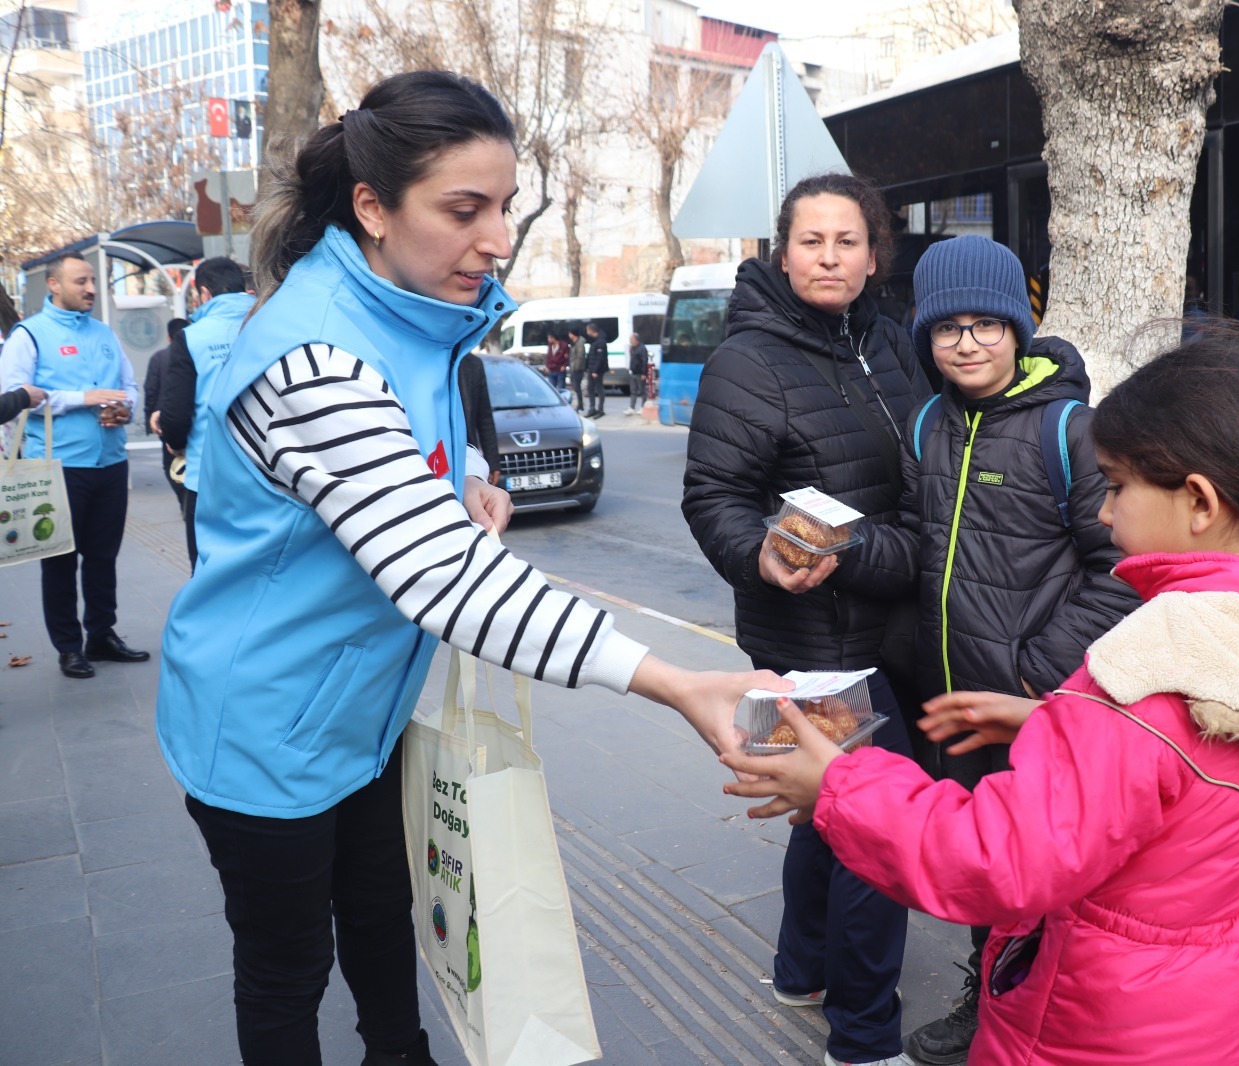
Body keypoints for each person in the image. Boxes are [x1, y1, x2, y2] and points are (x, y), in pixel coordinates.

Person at [154, 71, 785, 1066]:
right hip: (266, 722)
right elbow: (444, 577)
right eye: (463, 209)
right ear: (372, 206)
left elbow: (427, 429)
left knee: (381, 908)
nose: (496, 239)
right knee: (285, 968)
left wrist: (476, 475)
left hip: (368, 703)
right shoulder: (309, 357)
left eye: (504, 208)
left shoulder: (408, 303)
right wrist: (672, 679)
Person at [723, 321, 1239, 1066]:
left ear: (1197, 500)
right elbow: (1206, 775)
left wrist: (839, 785)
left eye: (1118, 486)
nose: (1101, 512)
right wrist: (1057, 718)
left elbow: (996, 860)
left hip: (1102, 1027)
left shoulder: (1150, 670)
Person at [830, 235, 1140, 1064]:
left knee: (1041, 866)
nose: (968, 342)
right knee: (986, 863)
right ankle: (991, 991)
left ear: (1018, 328)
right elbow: (918, 540)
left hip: (1033, 701)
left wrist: (1038, 670)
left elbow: (1121, 569)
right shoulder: (929, 420)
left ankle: (1043, 1012)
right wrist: (845, 548)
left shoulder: (1069, 429)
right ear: (927, 338)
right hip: (951, 697)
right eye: (948, 328)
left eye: (987, 324)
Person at [682, 171, 930, 1066]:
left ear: (874, 256)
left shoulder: (895, 346)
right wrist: (761, 553)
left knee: (829, 806)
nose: (830, 256)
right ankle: (863, 1038)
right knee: (879, 825)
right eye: (812, 241)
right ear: (782, 253)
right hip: (809, 634)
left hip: (888, 619)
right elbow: (713, 495)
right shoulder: (748, 359)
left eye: (848, 241)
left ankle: (803, 967)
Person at [0, 251, 149, 679]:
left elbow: (128, 385)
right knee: (60, 558)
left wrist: (125, 409)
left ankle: (101, 635)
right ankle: (68, 647)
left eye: (92, 281)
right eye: (81, 281)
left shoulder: (104, 332)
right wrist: (82, 399)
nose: (90, 289)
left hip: (110, 460)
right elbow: (15, 396)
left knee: (103, 556)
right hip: (58, 465)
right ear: (54, 285)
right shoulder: (28, 335)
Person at [159, 256, 255, 569]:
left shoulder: (192, 337)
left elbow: (176, 413)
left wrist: (174, 441)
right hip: (267, 476)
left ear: (204, 293)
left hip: (209, 477)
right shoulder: (267, 323)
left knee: (208, 570)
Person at [145, 316, 190, 506]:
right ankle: (189, 497)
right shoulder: (193, 353)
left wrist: (149, 416)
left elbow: (151, 389)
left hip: (165, 419)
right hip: (190, 416)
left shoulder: (158, 358)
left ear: (168, 337)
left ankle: (184, 498)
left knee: (169, 463)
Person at [457, 350, 501, 484]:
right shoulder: (428, 361)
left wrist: (493, 462)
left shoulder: (473, 364)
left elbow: (485, 418)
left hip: (468, 461)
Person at [583, 320, 608, 418]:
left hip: (597, 371)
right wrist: (587, 367)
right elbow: (591, 356)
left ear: (591, 330)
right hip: (591, 370)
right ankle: (592, 408)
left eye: (587, 330)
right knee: (590, 389)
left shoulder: (601, 341)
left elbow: (600, 358)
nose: (586, 332)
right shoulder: (595, 341)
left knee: (599, 389)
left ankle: (600, 410)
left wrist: (595, 371)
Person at [625, 331, 648, 415]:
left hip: (640, 373)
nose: (630, 340)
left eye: (631, 339)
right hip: (633, 372)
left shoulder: (642, 348)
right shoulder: (632, 348)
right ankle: (632, 407)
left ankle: (643, 407)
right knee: (633, 390)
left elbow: (644, 361)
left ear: (636, 339)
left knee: (642, 391)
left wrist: (644, 373)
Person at [566, 325, 586, 412]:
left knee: (577, 387)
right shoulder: (573, 343)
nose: (569, 335)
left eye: (570, 334)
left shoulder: (580, 343)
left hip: (577, 369)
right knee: (575, 387)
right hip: (573, 367)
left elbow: (580, 356)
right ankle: (579, 404)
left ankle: (580, 405)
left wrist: (576, 367)